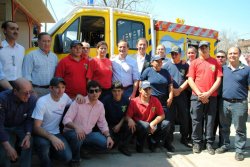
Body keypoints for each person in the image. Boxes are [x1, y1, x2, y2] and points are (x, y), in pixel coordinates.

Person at [62, 81, 114, 166]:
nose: (94, 93)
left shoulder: (100, 106)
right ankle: (75, 160)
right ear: (87, 92)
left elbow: (102, 123)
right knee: (77, 136)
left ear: (100, 92)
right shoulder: (79, 102)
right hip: (71, 133)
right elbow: (66, 119)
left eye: (97, 91)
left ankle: (82, 148)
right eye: (91, 91)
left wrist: (108, 136)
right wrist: (76, 128)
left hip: (87, 135)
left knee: (105, 143)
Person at [187, 41, 222, 155]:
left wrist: (208, 93)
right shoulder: (194, 63)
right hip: (196, 97)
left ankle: (209, 143)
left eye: (205, 47)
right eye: (201, 48)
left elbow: (218, 79)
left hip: (211, 97)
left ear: (209, 48)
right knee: (196, 121)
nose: (203, 49)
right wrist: (199, 94)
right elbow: (190, 79)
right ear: (199, 50)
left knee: (210, 121)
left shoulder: (216, 62)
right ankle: (197, 142)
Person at [215, 47, 250, 161]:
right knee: (224, 127)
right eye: (230, 53)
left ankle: (239, 150)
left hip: (240, 103)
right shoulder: (223, 69)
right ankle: (225, 145)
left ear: (239, 54)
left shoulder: (246, 69)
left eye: (235, 53)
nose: (232, 55)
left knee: (240, 128)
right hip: (224, 102)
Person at [32, 77, 72, 167]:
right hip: (41, 133)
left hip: (56, 132)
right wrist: (52, 138)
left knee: (67, 157)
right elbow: (36, 127)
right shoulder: (42, 102)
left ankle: (52, 152)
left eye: (63, 87)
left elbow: (73, 104)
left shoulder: (64, 97)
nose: (61, 90)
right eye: (57, 87)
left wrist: (79, 97)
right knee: (43, 145)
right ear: (51, 88)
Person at [140, 55, 174, 152]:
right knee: (150, 123)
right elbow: (141, 83)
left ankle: (166, 143)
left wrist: (171, 96)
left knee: (166, 124)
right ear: (152, 62)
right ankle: (150, 142)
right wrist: (141, 95)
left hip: (163, 102)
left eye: (161, 61)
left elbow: (170, 85)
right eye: (157, 61)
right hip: (151, 101)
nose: (159, 63)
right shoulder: (148, 71)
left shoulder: (165, 72)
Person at [0, 78, 37, 167]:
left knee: (29, 142)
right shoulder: (2, 98)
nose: (28, 96)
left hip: (21, 126)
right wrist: (7, 145)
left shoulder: (31, 98)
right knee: (5, 151)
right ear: (15, 91)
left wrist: (28, 134)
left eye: (30, 92)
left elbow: (29, 119)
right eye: (25, 93)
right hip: (4, 127)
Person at [126, 80, 169, 153]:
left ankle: (153, 143)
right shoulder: (134, 101)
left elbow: (162, 115)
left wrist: (153, 123)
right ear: (140, 90)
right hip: (139, 127)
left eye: (149, 89)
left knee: (166, 124)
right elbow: (127, 116)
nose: (147, 91)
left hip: (151, 125)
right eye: (145, 89)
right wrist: (129, 119)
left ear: (151, 90)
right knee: (145, 125)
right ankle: (139, 144)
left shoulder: (155, 100)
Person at [163, 46, 191, 148]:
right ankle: (169, 140)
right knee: (170, 118)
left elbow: (189, 79)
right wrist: (172, 91)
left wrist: (179, 90)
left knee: (184, 116)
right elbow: (164, 80)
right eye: (172, 54)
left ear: (180, 54)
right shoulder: (166, 66)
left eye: (176, 54)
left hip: (182, 94)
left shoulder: (185, 65)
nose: (174, 56)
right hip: (170, 95)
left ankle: (184, 138)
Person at [22, 32, 58, 97]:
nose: (47, 44)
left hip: (51, 90)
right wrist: (31, 91)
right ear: (38, 42)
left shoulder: (54, 57)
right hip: (37, 90)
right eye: (44, 41)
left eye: (48, 41)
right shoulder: (31, 56)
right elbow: (26, 75)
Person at [102, 81, 132, 156]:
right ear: (111, 91)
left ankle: (123, 146)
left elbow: (126, 114)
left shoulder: (126, 100)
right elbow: (100, 115)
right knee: (110, 146)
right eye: (114, 91)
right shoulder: (106, 100)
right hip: (108, 124)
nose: (117, 93)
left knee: (131, 126)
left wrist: (119, 125)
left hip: (120, 123)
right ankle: (116, 139)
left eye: (119, 91)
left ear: (122, 91)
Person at [0, 21, 24, 85]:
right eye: (12, 29)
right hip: (2, 84)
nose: (16, 32)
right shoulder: (0, 48)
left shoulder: (21, 49)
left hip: (19, 84)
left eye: (17, 29)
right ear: (4, 31)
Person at [213, 50, 227, 147]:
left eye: (222, 56)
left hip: (224, 99)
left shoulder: (228, 69)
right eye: (218, 56)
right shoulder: (212, 68)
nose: (220, 58)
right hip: (213, 98)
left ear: (225, 58)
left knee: (223, 122)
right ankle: (210, 140)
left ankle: (223, 143)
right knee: (211, 121)